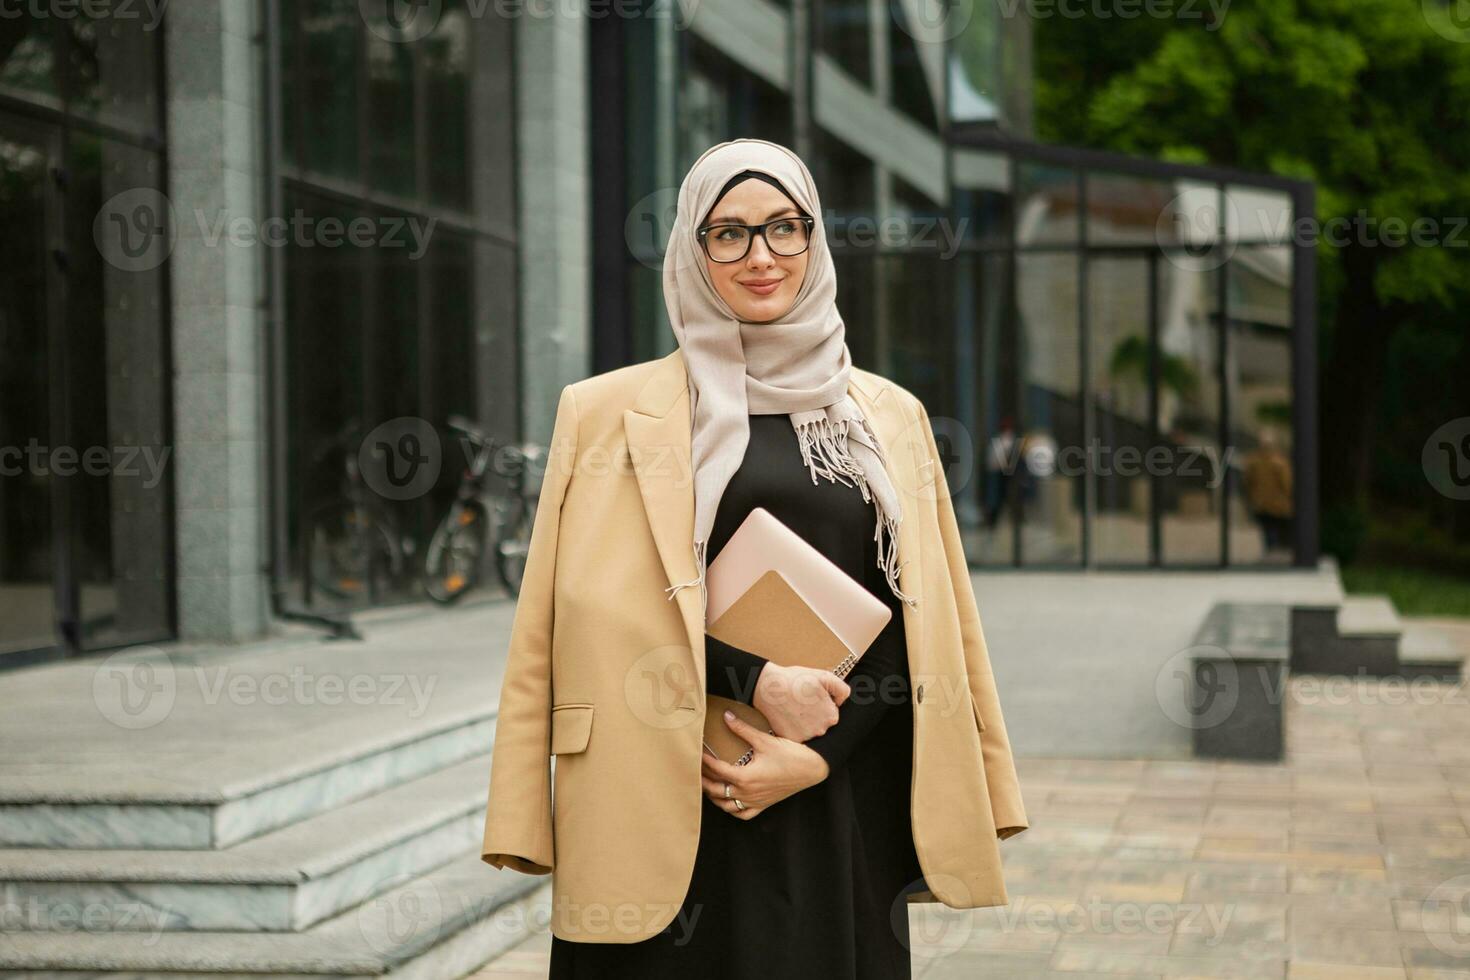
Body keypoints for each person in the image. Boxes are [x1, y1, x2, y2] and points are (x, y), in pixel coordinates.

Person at [480, 138, 1028, 979]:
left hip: (830, 792)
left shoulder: (889, 417)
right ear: (691, 251)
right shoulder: (602, 413)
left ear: (815, 239)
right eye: (726, 233)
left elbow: (927, 620)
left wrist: (819, 754)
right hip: (655, 776)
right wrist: (753, 677)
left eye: (784, 227)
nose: (760, 256)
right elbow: (563, 622)